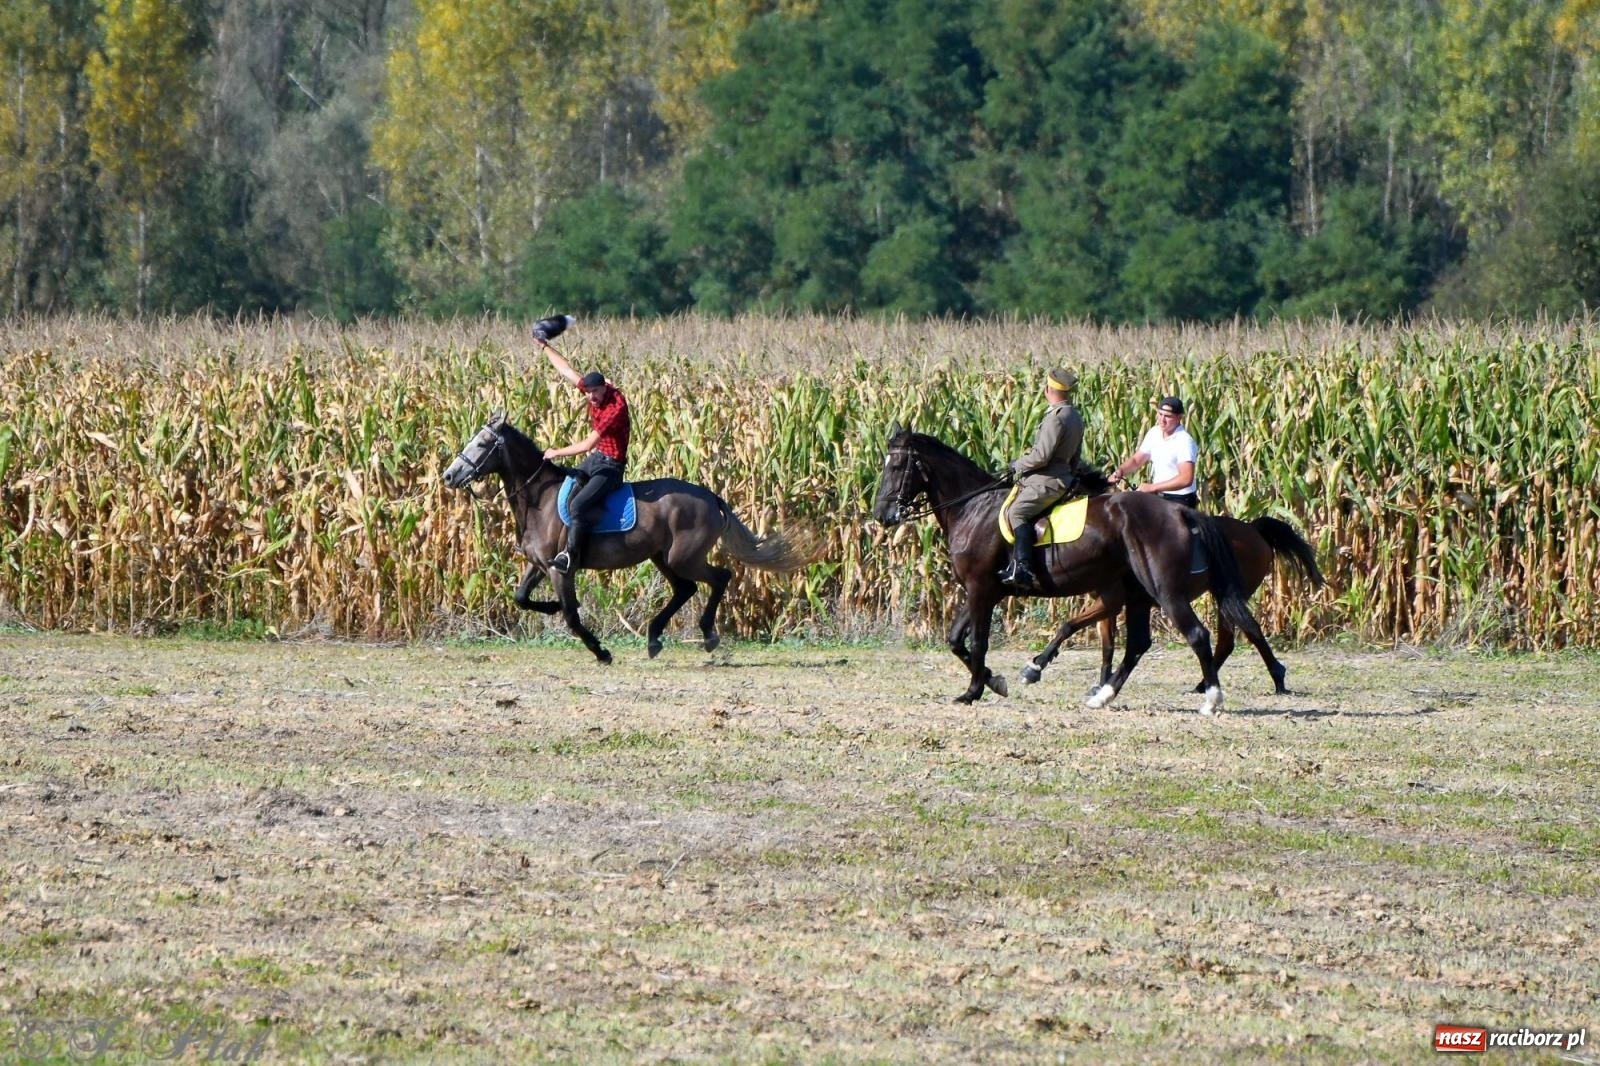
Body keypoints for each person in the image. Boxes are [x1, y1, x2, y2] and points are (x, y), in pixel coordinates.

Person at [536, 319, 630, 574]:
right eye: (588, 393)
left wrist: (555, 452)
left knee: (577, 506)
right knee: (568, 483)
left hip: (611, 466)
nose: (591, 397)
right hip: (599, 458)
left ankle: (571, 557)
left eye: (595, 393)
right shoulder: (595, 391)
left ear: (604, 388)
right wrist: (544, 346)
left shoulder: (614, 409)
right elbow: (566, 371)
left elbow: (588, 444)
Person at [999, 368, 1084, 589]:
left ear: (1048, 390)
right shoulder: (1075, 416)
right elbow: (1076, 457)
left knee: (1017, 512)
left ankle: (1022, 568)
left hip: (1046, 481)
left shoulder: (1055, 419)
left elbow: (1042, 456)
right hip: (1063, 477)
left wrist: (1016, 465)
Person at [1110, 395, 1199, 508]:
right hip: (1158, 497)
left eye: (1167, 416)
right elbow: (1136, 461)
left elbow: (1186, 478)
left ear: (1179, 417)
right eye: (1160, 414)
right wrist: (1120, 472)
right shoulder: (1154, 433)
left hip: (1180, 501)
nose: (1162, 420)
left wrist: (1152, 487)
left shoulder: (1185, 442)